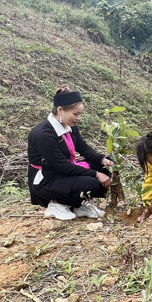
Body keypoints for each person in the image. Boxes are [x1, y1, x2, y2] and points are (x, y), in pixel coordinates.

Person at [28, 86, 113, 220]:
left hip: (61, 173)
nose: (78, 118)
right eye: (75, 114)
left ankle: (76, 205)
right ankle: (57, 204)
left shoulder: (70, 127)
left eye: (80, 114)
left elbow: (83, 148)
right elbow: (61, 165)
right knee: (92, 182)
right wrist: (96, 174)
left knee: (106, 168)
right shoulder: (43, 134)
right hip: (47, 179)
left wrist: (103, 159)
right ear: (60, 110)